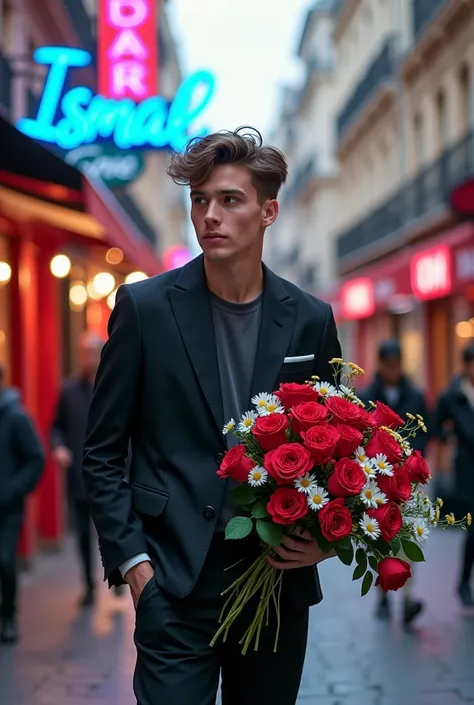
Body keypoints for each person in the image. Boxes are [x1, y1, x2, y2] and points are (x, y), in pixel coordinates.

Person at [83, 127, 341, 705]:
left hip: (274, 581)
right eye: (200, 200)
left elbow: (341, 447)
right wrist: (135, 567)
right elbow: (102, 451)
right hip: (172, 580)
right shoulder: (144, 309)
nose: (210, 215)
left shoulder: (309, 318)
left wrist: (323, 542)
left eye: (229, 199)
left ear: (269, 211)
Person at [358, 340, 430, 625]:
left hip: (408, 480)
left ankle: (409, 597)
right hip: (376, 481)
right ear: (380, 364)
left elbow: (426, 432)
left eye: (395, 364)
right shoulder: (368, 396)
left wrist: (411, 463)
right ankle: (384, 595)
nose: (392, 369)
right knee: (379, 539)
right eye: (387, 364)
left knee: (409, 537)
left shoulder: (415, 395)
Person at [51, 332, 124, 607]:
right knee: (82, 534)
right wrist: (58, 447)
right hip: (79, 476)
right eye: (83, 353)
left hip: (113, 474)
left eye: (92, 352)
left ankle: (118, 576)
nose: (87, 358)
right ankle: (89, 586)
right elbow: (56, 427)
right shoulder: (68, 391)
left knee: (111, 529)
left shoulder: (114, 387)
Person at [0, 365, 44, 643]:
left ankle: (8, 618)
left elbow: (36, 458)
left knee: (5, 561)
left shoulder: (16, 417)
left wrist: (13, 490)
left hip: (8, 509)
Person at [434, 343, 474, 608]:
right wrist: (450, 439)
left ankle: (463, 581)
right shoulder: (453, 394)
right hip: (467, 468)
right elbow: (437, 426)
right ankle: (463, 581)